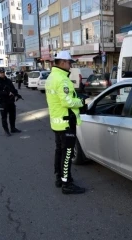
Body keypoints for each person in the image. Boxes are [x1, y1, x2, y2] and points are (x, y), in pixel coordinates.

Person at [45, 51, 87, 195]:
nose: (71, 66)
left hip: (57, 122)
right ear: (63, 62)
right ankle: (66, 184)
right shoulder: (62, 79)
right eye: (70, 63)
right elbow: (67, 101)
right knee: (67, 154)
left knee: (60, 151)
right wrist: (81, 102)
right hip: (66, 122)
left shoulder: (51, 77)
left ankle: (59, 178)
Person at [0, 68, 22, 136]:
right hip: (3, 102)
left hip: (11, 101)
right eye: (1, 73)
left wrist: (17, 94)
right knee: (4, 117)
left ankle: (13, 128)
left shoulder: (8, 81)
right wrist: (7, 93)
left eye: (3, 72)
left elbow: (13, 89)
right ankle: (6, 130)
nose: (2, 74)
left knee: (12, 116)